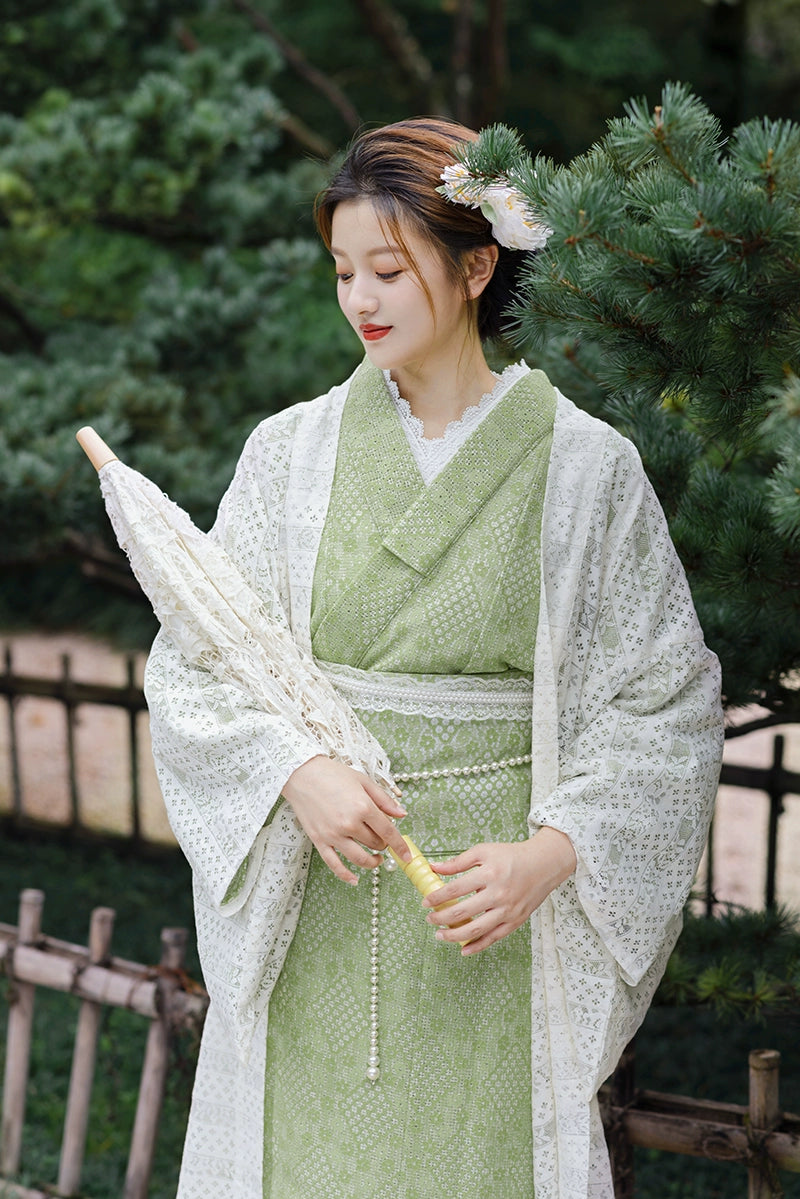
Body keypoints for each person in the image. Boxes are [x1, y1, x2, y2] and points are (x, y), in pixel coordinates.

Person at [144, 118, 724, 1199]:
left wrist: (552, 852)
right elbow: (198, 657)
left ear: (473, 264)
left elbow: (666, 700)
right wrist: (293, 771)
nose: (359, 298)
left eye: (388, 269)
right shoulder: (288, 453)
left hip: (491, 905)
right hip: (320, 878)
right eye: (342, 271)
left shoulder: (587, 467)